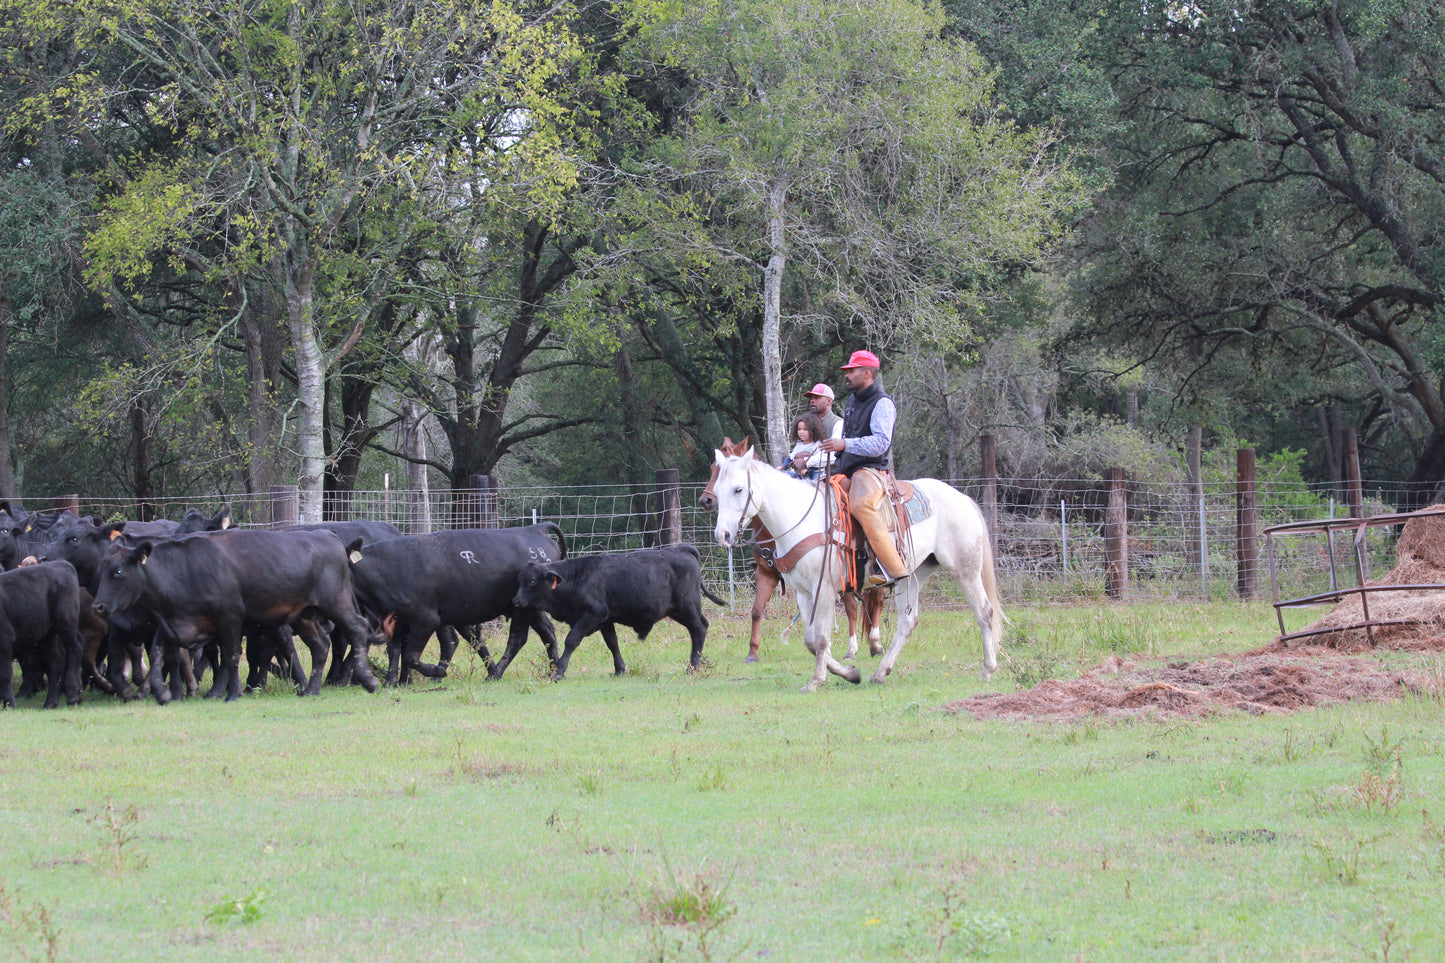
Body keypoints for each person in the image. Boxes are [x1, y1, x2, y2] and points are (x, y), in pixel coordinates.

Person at [817, 349, 908, 587]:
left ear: (867, 373)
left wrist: (844, 443)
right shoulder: (852, 400)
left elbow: (880, 443)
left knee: (860, 504)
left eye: (852, 371)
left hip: (871, 471)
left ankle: (890, 567)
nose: (847, 375)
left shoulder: (882, 403)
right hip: (845, 468)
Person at [782, 413, 829, 479]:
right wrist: (783, 467)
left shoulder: (819, 444)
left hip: (816, 473)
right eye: (799, 429)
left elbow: (821, 461)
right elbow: (790, 458)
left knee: (815, 486)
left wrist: (807, 470)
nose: (801, 432)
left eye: (805, 429)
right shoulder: (799, 444)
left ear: (813, 430)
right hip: (800, 473)